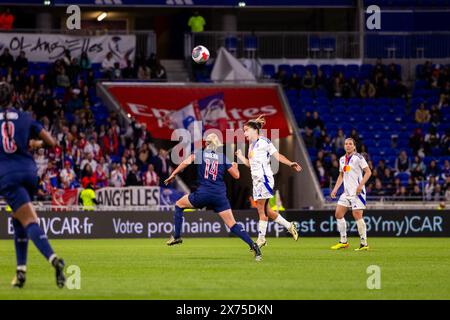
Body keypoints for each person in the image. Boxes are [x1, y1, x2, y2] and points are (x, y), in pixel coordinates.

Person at [0, 82, 65, 288]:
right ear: (13, 98)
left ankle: (54, 259)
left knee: (28, 220)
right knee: (19, 219)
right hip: (29, 172)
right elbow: (52, 142)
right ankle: (21, 273)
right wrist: (35, 144)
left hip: (7, 175)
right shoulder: (25, 117)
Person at [164, 133, 262, 261]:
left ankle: (177, 236)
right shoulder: (222, 157)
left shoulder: (200, 154)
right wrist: (236, 166)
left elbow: (185, 163)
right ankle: (253, 246)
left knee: (179, 204)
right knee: (232, 224)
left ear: (206, 143)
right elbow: (237, 176)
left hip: (203, 194)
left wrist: (173, 174)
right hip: (219, 196)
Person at [235, 115, 301, 248]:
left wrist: (290, 163)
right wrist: (241, 156)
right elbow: (250, 164)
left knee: (261, 210)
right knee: (268, 211)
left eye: (246, 130)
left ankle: (261, 239)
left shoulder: (265, 142)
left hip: (264, 179)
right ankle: (289, 225)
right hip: (256, 181)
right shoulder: (251, 146)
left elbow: (277, 156)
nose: (245, 133)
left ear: (254, 130)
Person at [330, 138, 372, 251]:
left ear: (354, 146)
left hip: (357, 192)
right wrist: (335, 189)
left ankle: (364, 244)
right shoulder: (342, 159)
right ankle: (343, 241)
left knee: (357, 216)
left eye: (350, 144)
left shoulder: (359, 158)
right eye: (346, 144)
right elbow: (341, 176)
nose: (348, 145)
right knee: (338, 214)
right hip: (346, 192)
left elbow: (368, 172)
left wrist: (360, 185)